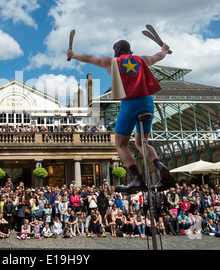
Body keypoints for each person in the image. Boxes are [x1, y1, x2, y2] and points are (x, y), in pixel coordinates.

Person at [67, 39, 172, 194]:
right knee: (141, 143)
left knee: (121, 145)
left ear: (116, 49)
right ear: (130, 50)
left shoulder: (112, 62)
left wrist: (74, 55)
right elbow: (157, 56)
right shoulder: (141, 59)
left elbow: (89, 58)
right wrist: (164, 50)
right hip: (148, 102)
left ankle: (137, 179)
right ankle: (159, 165)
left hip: (130, 103)